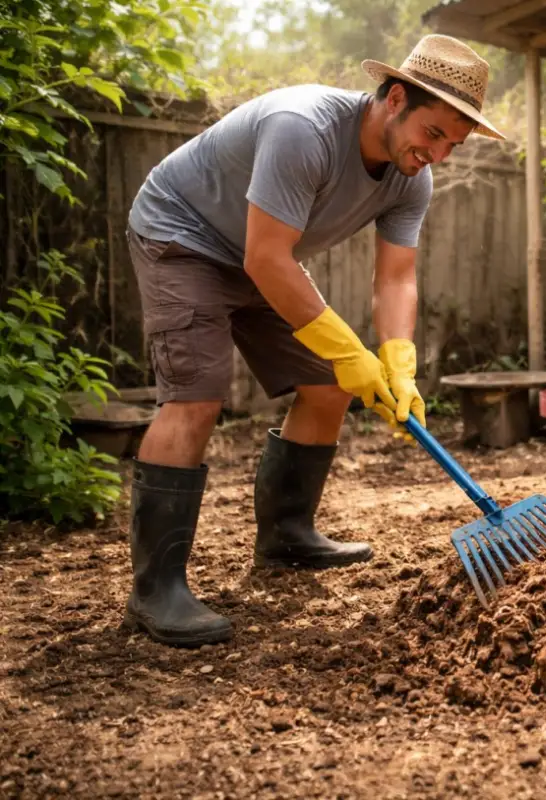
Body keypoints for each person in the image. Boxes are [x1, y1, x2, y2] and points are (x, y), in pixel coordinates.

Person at [121, 34, 505, 648]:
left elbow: (397, 277)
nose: (439, 154)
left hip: (260, 254)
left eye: (452, 144)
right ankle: (154, 590)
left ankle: (287, 536)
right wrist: (352, 349)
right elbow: (268, 257)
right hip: (183, 236)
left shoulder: (412, 179)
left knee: (326, 387)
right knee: (195, 397)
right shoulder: (303, 128)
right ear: (395, 97)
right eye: (433, 133)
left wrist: (398, 362)